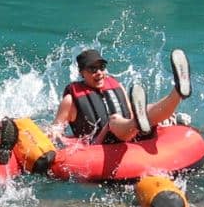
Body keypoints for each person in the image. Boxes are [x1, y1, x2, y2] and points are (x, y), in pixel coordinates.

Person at [52, 48, 192, 145]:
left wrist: (158, 120)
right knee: (113, 120)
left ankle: (178, 91)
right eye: (93, 69)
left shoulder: (116, 86)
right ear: (82, 72)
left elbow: (132, 112)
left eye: (101, 67)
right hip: (101, 143)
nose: (99, 72)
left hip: (129, 132)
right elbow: (57, 130)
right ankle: (137, 124)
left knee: (146, 109)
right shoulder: (70, 101)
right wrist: (54, 137)